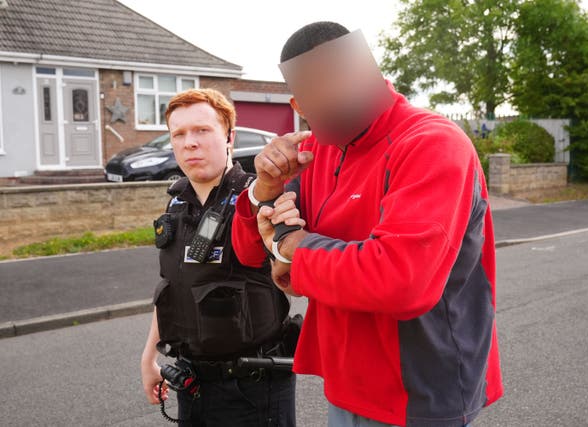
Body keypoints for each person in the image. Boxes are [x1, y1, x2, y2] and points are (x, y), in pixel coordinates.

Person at [232, 22, 503, 427]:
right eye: (317, 94)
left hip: (420, 391)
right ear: (299, 106)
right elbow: (249, 251)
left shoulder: (431, 143)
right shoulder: (315, 149)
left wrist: (293, 250)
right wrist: (266, 187)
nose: (336, 99)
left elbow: (400, 280)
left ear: (371, 74)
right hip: (347, 382)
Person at [140, 88, 296, 427]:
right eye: (178, 134)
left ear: (229, 136)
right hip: (192, 385)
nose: (189, 142)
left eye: (201, 130)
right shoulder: (176, 204)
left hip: (253, 389)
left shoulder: (258, 200)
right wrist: (149, 357)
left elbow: (295, 277)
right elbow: (171, 287)